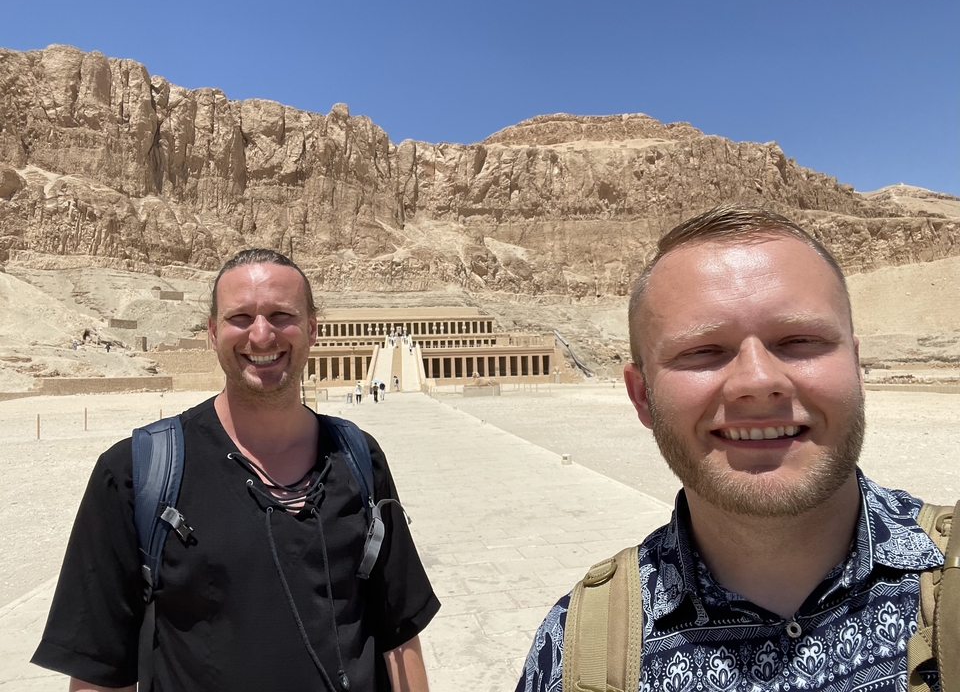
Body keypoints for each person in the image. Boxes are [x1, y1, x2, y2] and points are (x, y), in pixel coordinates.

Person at [516, 204, 947, 691]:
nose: (758, 382)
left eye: (799, 340)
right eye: (703, 351)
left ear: (856, 366)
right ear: (642, 398)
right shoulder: (576, 652)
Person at [33, 249, 439, 692]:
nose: (262, 336)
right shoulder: (135, 472)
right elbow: (100, 670)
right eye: (240, 317)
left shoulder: (359, 456)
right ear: (211, 332)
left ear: (313, 329)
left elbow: (399, 635)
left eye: (282, 314)